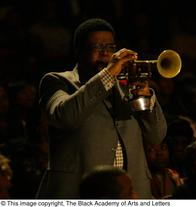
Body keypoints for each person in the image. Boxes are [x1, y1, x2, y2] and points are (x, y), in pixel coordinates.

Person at [36, 18, 167, 198]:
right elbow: (65, 117)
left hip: (131, 192)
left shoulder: (125, 85)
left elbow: (156, 136)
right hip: (79, 193)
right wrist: (108, 74)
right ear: (79, 51)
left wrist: (145, 98)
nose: (105, 53)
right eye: (97, 47)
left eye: (110, 47)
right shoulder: (57, 81)